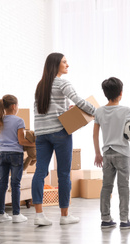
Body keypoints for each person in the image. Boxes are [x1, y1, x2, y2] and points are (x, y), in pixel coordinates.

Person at [32, 52, 96, 226]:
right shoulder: (62, 82)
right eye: (64, 62)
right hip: (60, 132)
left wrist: (67, 108)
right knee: (64, 174)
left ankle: (39, 215)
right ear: (56, 65)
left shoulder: (41, 85)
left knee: (40, 172)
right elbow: (80, 100)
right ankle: (64, 216)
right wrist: (97, 111)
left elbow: (43, 109)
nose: (68, 65)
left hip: (41, 134)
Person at [93, 77, 130, 230]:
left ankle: (105, 219)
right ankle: (124, 220)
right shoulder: (126, 110)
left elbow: (95, 135)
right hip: (123, 154)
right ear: (120, 93)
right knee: (123, 187)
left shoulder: (99, 111)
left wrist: (98, 154)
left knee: (106, 187)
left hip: (107, 153)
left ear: (105, 93)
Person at [0, 94, 35, 223]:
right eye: (17, 105)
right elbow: (21, 141)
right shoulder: (19, 121)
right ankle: (16, 215)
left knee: (2, 184)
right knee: (15, 184)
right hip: (15, 155)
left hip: (3, 155)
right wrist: (35, 144)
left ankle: (0, 214)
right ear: (13, 106)